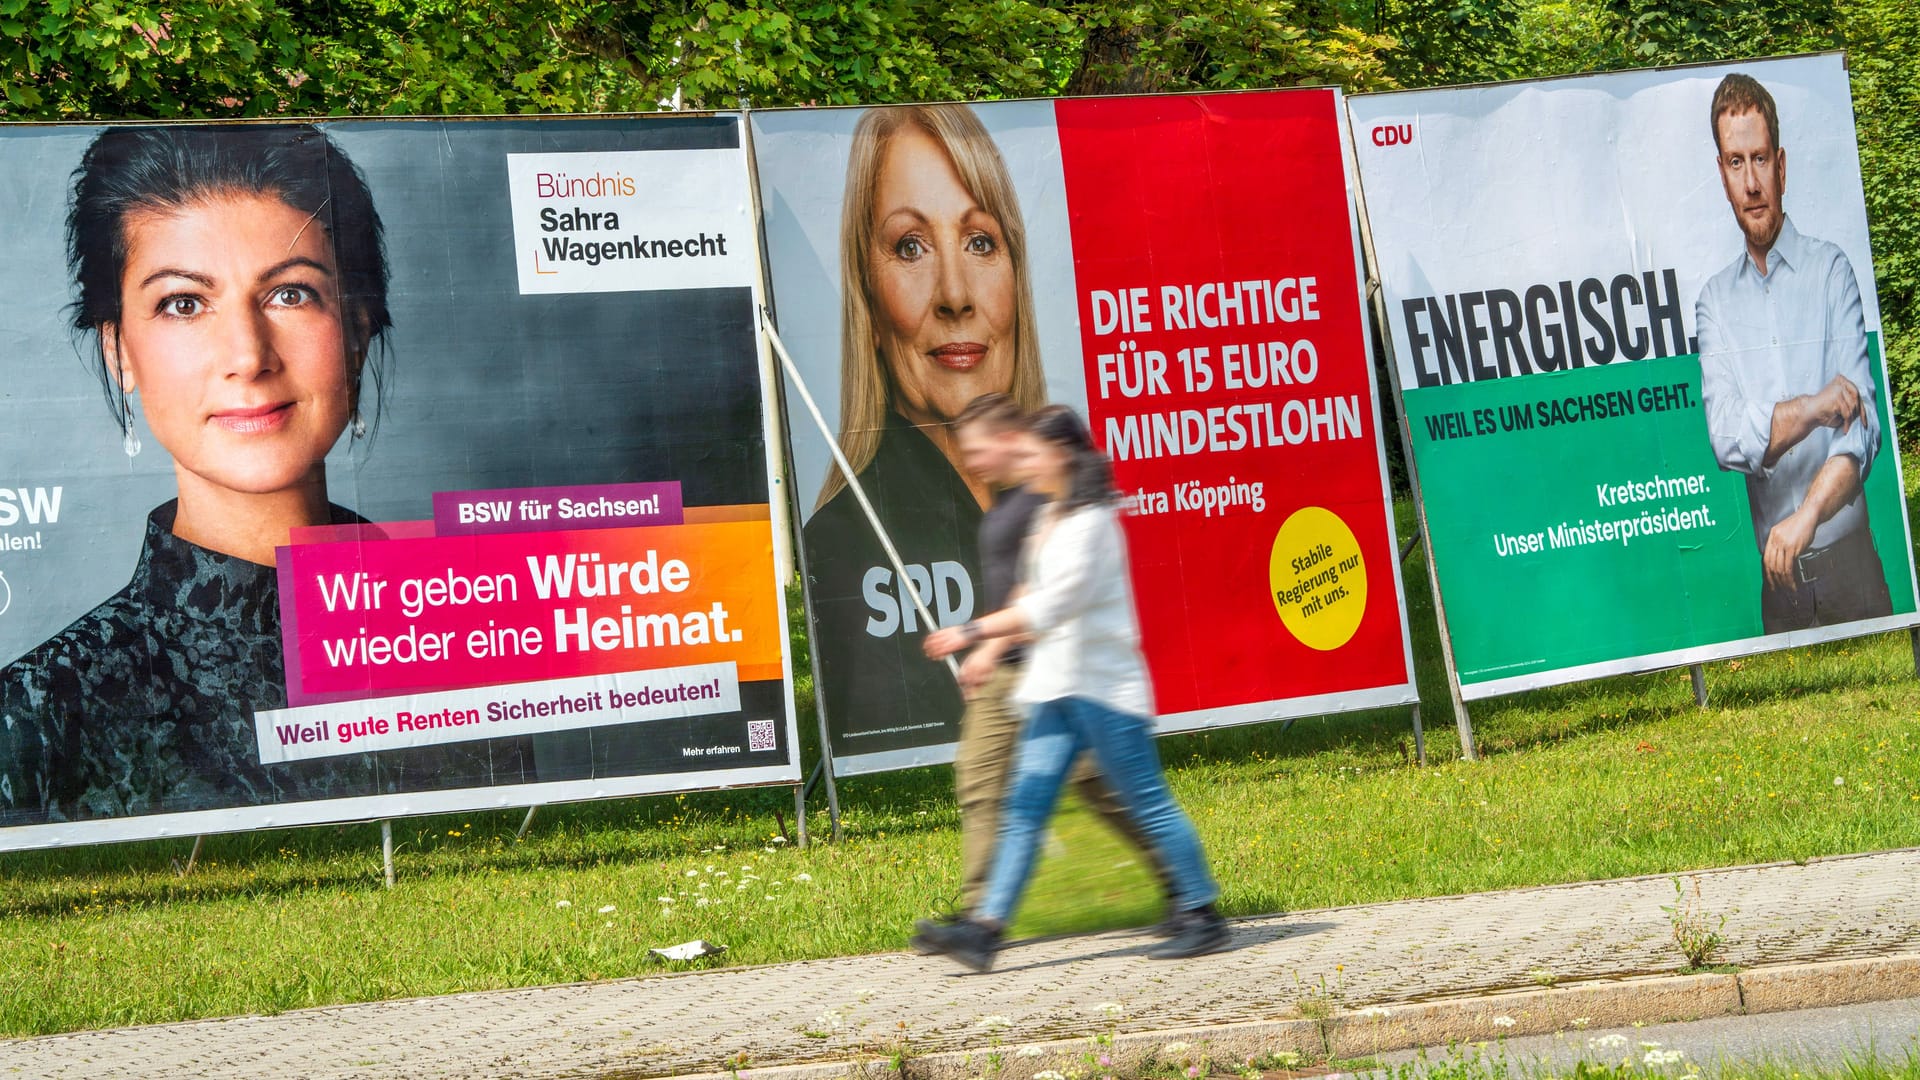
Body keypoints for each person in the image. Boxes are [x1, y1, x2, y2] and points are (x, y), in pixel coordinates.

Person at [0, 125, 514, 825]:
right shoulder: (36, 711)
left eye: (291, 294)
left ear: (358, 331)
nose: (248, 355)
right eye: (184, 303)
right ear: (119, 350)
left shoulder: (480, 646)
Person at [915, 406, 1229, 971]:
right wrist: (989, 646)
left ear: (1061, 455)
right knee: (1024, 808)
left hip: (1104, 693)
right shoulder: (1051, 517)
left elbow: (1051, 604)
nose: (1024, 462)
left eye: (1033, 453)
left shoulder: (1093, 524)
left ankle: (1202, 913)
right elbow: (1030, 598)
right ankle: (983, 933)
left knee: (1148, 804)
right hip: (1054, 690)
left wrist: (970, 631)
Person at [800, 104, 1048, 758]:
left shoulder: (1070, 498)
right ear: (868, 297)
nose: (955, 295)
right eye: (910, 246)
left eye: (979, 241)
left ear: (1016, 275)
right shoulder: (845, 541)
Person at [1695, 72, 1892, 634]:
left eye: (1760, 160)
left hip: (1852, 568)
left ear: (1781, 166)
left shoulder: (1831, 273)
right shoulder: (1713, 303)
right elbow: (1726, 436)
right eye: (1736, 163)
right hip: (1777, 596)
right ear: (1722, 173)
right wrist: (1812, 409)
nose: (1752, 182)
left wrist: (1805, 517)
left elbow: (1863, 430)